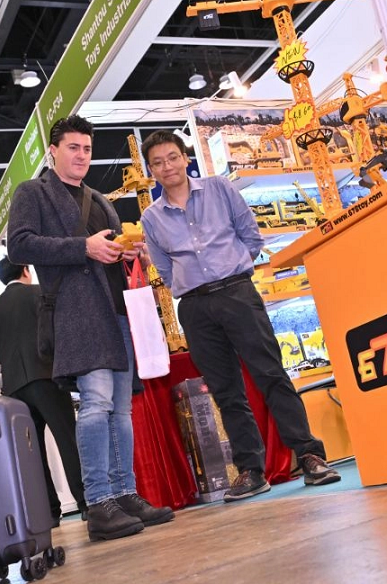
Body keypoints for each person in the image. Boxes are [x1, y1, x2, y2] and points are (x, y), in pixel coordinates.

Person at [139, 130, 341, 503]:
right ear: (151, 170)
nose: (167, 166)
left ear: (185, 158)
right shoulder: (151, 217)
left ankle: (309, 455)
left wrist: (232, 271)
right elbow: (164, 269)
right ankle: (251, 470)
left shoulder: (219, 189)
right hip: (195, 308)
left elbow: (251, 237)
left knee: (271, 375)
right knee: (225, 391)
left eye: (172, 157)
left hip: (237, 293)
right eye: (158, 163)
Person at [7, 114, 174, 542]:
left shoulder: (98, 198)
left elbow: (109, 249)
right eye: (73, 148)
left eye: (87, 148)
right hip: (76, 312)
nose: (82, 156)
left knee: (121, 408)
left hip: (117, 310)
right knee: (97, 404)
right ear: (53, 151)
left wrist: (127, 252)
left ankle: (125, 493)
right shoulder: (32, 192)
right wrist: (84, 247)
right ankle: (98, 502)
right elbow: (19, 244)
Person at [0, 255, 87, 524]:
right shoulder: (40, 294)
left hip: (14, 389)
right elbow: (56, 332)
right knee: (67, 439)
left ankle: (49, 512)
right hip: (47, 377)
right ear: (26, 270)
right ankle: (86, 502)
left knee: (33, 451)